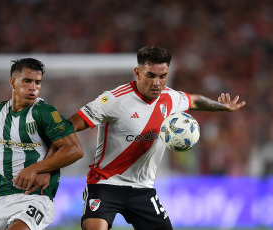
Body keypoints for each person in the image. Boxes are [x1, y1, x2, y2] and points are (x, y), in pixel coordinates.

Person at [68, 46, 246, 230]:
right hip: (106, 183)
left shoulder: (171, 98)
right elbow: (71, 124)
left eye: (162, 76)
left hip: (142, 188)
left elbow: (193, 100)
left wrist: (221, 106)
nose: (157, 83)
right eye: (151, 75)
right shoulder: (114, 100)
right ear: (137, 73)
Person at [0, 58, 84, 230]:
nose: (33, 87)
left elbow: (75, 149)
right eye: (27, 81)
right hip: (0, 197)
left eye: (38, 82)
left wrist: (37, 168)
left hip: (35, 198)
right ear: (13, 82)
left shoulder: (44, 112)